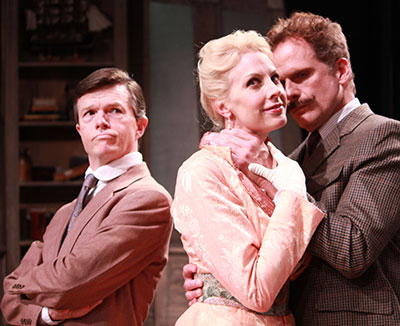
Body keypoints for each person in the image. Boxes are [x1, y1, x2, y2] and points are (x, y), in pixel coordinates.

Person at [183, 12, 400, 325]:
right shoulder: (293, 159)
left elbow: (354, 248)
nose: (286, 93)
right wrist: (213, 276)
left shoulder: (383, 136)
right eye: (279, 79)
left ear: (340, 70)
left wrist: (285, 189)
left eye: (300, 76)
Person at [172, 30, 324, 325]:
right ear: (223, 105)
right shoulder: (203, 172)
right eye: (254, 82)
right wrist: (292, 191)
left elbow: (298, 268)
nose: (275, 91)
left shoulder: (284, 166)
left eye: (274, 78)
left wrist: (290, 184)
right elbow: (257, 291)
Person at [1, 68, 173, 325]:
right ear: (80, 130)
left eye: (114, 110)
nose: (101, 121)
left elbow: (68, 284)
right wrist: (45, 315)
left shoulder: (149, 199)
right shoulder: (64, 213)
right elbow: (8, 303)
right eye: (90, 113)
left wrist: (19, 284)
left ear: (140, 125)